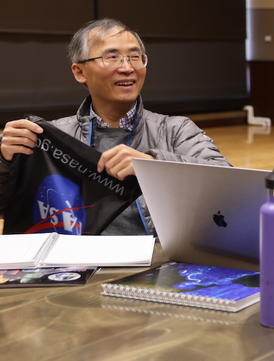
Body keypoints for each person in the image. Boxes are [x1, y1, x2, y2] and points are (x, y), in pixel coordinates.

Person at [0, 18, 230, 235]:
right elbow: (8, 207)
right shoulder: (51, 138)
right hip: (76, 264)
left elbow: (228, 186)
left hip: (156, 262)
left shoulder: (175, 130)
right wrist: (5, 161)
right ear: (80, 72)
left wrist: (152, 165)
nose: (127, 67)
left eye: (135, 57)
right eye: (112, 57)